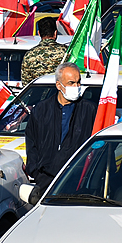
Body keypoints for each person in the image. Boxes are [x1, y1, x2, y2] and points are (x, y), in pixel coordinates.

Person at [25, 62, 98, 193]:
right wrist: (36, 171)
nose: (76, 86)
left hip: (78, 180)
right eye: (71, 83)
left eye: (78, 82)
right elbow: (32, 141)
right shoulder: (41, 109)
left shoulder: (89, 109)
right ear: (59, 85)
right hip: (46, 180)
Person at [21, 18, 67, 84]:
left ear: (39, 33)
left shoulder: (29, 55)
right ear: (55, 33)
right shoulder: (66, 52)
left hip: (38, 93)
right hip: (60, 92)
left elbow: (26, 83)